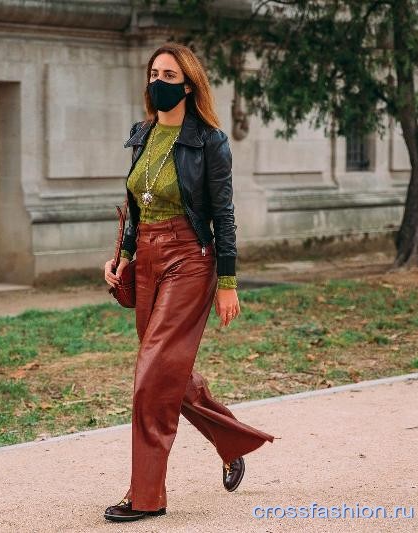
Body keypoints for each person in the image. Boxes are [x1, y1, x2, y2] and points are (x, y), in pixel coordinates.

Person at [103, 42, 275, 522]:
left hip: (190, 259)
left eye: (169, 74)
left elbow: (223, 214)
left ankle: (146, 497)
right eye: (154, 72)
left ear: (188, 84)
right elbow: (137, 207)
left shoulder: (210, 140)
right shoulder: (142, 134)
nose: (159, 81)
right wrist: (123, 258)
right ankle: (232, 439)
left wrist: (228, 281)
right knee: (166, 375)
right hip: (149, 261)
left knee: (150, 378)